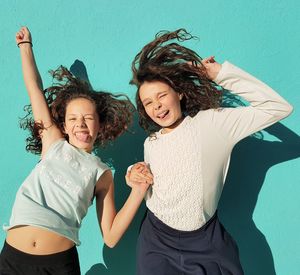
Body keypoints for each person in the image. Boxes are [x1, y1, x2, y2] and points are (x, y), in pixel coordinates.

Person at [127, 29, 293, 275]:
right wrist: (133, 172)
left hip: (206, 241)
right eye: (148, 102)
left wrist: (221, 74)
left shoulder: (213, 124)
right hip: (156, 240)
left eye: (161, 95)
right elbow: (157, 181)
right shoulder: (151, 142)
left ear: (179, 93)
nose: (157, 105)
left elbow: (278, 108)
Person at [0, 26, 152, 275]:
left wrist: (138, 192)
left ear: (100, 123)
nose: (80, 124)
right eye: (73, 119)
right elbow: (34, 88)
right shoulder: (53, 142)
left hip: (58, 265)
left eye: (88, 118)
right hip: (12, 260)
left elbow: (111, 237)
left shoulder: (101, 174)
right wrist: (25, 46)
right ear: (64, 125)